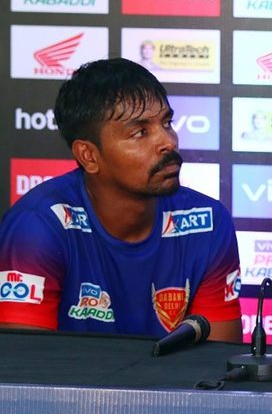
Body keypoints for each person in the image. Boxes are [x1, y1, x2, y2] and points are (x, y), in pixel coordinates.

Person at [0, 58, 242, 341]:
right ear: (89, 156)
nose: (168, 141)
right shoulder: (37, 227)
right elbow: (25, 373)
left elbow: (214, 366)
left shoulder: (208, 223)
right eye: (140, 132)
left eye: (167, 122)